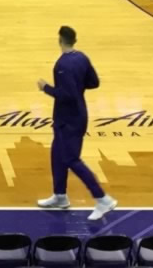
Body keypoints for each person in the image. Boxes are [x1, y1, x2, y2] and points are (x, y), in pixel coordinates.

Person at [36, 25, 117, 220]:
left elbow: (67, 95)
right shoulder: (82, 58)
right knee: (57, 155)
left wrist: (46, 88)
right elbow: (94, 82)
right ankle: (60, 196)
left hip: (69, 119)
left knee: (71, 159)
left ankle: (103, 199)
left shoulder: (62, 65)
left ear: (60, 40)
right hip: (76, 115)